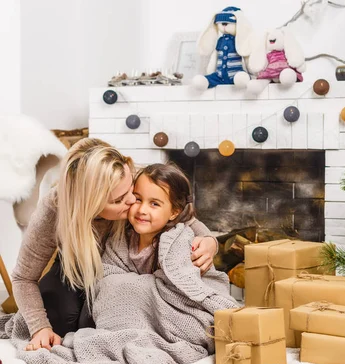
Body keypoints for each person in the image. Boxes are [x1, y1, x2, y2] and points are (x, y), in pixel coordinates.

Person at [11, 138, 218, 350]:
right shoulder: (54, 210)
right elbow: (23, 277)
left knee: (98, 323)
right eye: (119, 200)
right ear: (90, 204)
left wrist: (210, 241)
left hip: (115, 270)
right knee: (60, 320)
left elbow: (183, 214)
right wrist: (39, 328)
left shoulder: (127, 176)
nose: (132, 202)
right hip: (76, 265)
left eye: (132, 192)